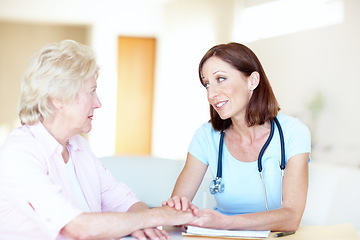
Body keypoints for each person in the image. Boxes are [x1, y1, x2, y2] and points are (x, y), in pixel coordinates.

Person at [0, 40, 198, 240]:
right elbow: (77, 227)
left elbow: (125, 201)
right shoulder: (19, 152)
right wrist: (155, 216)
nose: (98, 103)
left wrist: (143, 221)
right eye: (91, 91)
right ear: (58, 99)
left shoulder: (78, 146)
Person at [163, 42, 311, 232]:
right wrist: (181, 213)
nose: (211, 94)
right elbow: (173, 211)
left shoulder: (293, 133)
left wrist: (224, 222)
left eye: (221, 79)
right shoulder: (205, 136)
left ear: (252, 81)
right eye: (207, 83)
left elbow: (291, 217)